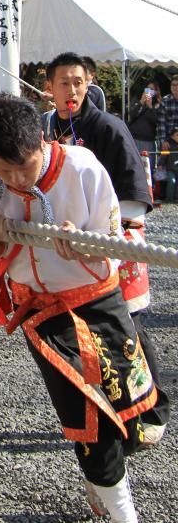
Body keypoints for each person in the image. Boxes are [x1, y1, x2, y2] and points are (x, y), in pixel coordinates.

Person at [0, 95, 160, 523]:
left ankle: (103, 482)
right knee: (84, 411)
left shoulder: (84, 169)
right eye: (3, 170)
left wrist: (82, 249)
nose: (16, 180)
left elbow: (111, 250)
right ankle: (123, 518)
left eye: (24, 168)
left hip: (95, 299)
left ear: (43, 143)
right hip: (40, 310)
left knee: (126, 408)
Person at [43, 52, 169, 439]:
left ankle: (154, 409)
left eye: (78, 81)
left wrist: (112, 236)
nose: (72, 89)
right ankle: (114, 405)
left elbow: (133, 190)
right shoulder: (48, 129)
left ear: (90, 82)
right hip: (69, 240)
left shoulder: (110, 127)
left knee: (127, 324)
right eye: (63, 82)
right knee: (89, 327)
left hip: (116, 237)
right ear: (49, 88)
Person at [127, 81, 161, 186]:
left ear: (156, 92)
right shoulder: (137, 102)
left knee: (148, 167)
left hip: (148, 141)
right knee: (135, 165)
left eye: (152, 89)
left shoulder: (158, 105)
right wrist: (141, 102)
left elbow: (156, 121)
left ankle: (150, 189)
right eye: (147, 89)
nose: (149, 92)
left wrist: (150, 106)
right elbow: (131, 115)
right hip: (135, 139)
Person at [156, 74, 178, 203]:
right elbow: (161, 123)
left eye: (177, 85)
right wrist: (163, 141)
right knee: (163, 166)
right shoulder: (165, 100)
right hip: (168, 141)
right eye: (173, 85)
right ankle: (163, 194)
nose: (175, 88)